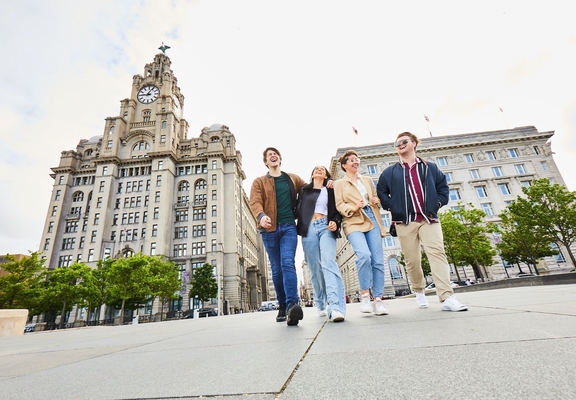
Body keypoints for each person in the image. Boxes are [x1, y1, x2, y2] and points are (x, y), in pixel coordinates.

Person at [377, 132, 468, 312]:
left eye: (404, 141)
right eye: (397, 143)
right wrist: (392, 207)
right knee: (412, 260)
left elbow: (443, 187)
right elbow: (381, 191)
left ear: (414, 143)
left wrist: (439, 202)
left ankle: (447, 297)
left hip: (429, 218)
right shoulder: (389, 172)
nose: (400, 145)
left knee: (437, 253)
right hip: (405, 222)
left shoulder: (430, 167)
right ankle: (419, 291)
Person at [249, 147, 307, 326]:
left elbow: (309, 189)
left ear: (280, 159)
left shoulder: (292, 178)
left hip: (289, 226)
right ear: (266, 162)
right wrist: (261, 216)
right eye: (269, 155)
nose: (273, 156)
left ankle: (292, 305)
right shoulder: (259, 182)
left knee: (287, 262)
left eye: (275, 154)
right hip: (269, 229)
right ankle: (282, 305)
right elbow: (255, 202)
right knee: (276, 269)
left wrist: (326, 182)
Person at [334, 150, 388, 316]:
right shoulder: (339, 184)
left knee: (378, 260)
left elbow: (374, 198)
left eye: (356, 159)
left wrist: (376, 201)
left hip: (371, 218)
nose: (355, 162)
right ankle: (365, 294)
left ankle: (378, 299)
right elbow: (339, 204)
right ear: (344, 165)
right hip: (353, 220)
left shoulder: (367, 180)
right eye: (351, 160)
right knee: (364, 255)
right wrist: (353, 208)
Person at [296, 165, 346, 322]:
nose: (318, 170)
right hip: (309, 228)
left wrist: (335, 221)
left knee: (328, 263)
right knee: (315, 268)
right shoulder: (304, 190)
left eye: (322, 169)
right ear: (312, 175)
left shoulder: (331, 188)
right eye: (315, 169)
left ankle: (335, 307)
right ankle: (319, 301)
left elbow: (337, 209)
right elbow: (297, 209)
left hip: (326, 226)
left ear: (326, 175)